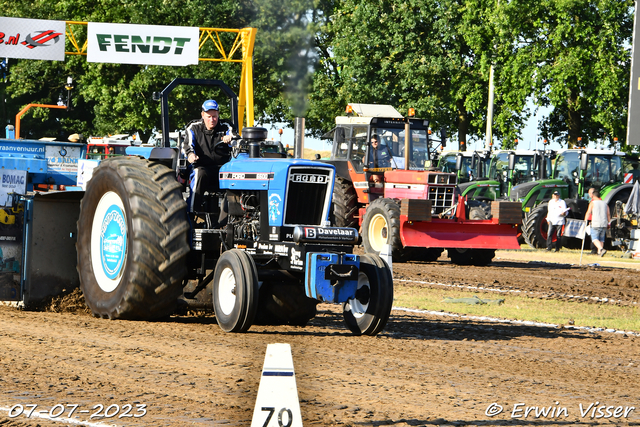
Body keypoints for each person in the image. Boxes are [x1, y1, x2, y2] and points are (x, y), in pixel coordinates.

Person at [182, 99, 234, 212]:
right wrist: (190, 154)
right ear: (202, 115)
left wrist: (230, 140)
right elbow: (187, 145)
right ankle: (191, 213)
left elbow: (235, 138)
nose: (212, 120)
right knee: (199, 173)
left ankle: (228, 220)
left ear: (218, 114)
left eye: (214, 116)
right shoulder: (194, 127)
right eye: (209, 117)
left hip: (222, 168)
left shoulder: (226, 127)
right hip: (202, 167)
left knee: (235, 176)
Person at [584, 190, 611, 257]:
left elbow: (588, 212)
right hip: (604, 223)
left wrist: (585, 220)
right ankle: (599, 253)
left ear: (593, 195)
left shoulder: (592, 203)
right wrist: (609, 223)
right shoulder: (605, 203)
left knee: (594, 238)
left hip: (596, 223)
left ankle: (601, 249)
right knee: (601, 239)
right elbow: (608, 214)